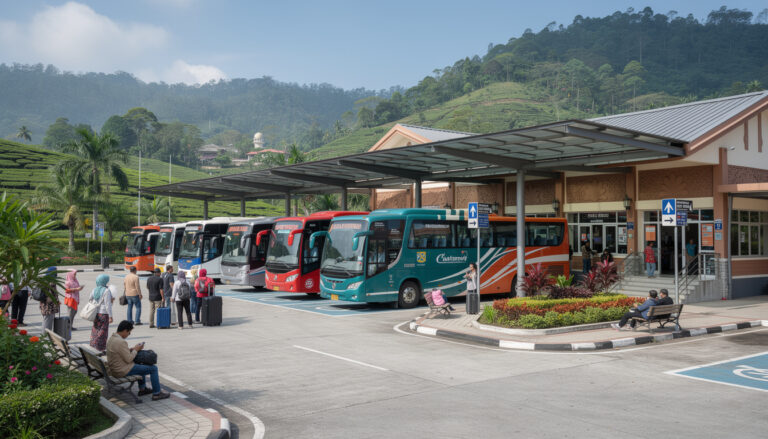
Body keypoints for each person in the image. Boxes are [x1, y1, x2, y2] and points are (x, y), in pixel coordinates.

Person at [106, 320, 170, 401]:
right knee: (153, 369)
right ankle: (157, 393)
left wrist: (130, 350)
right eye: (129, 332)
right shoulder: (121, 342)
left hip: (115, 369)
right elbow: (129, 359)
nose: (129, 334)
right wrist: (136, 349)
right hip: (121, 370)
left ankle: (143, 389)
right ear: (125, 330)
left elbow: (119, 353)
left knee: (140, 364)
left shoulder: (112, 338)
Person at [89, 274, 114, 352]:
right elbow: (108, 305)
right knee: (103, 331)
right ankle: (100, 347)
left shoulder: (94, 290)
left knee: (95, 329)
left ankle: (93, 344)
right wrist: (110, 316)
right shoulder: (106, 291)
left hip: (96, 313)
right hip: (104, 313)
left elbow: (90, 300)